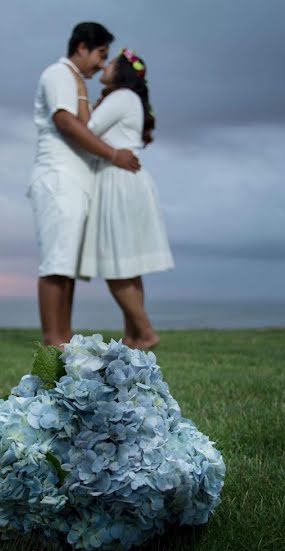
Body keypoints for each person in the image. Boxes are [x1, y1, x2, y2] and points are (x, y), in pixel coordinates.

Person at [27, 22, 141, 347]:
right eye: (101, 55)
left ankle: (64, 339)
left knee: (67, 266)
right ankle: (54, 340)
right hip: (59, 176)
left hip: (76, 181)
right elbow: (65, 122)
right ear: (82, 48)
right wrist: (113, 155)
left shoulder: (76, 81)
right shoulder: (58, 74)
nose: (102, 64)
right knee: (56, 262)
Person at [77, 49, 174, 350]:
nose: (104, 66)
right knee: (127, 265)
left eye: (111, 63)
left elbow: (86, 130)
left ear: (121, 73)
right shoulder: (126, 99)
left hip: (118, 181)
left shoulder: (120, 98)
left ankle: (145, 333)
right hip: (128, 181)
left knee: (116, 263)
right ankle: (133, 336)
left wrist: (81, 93)